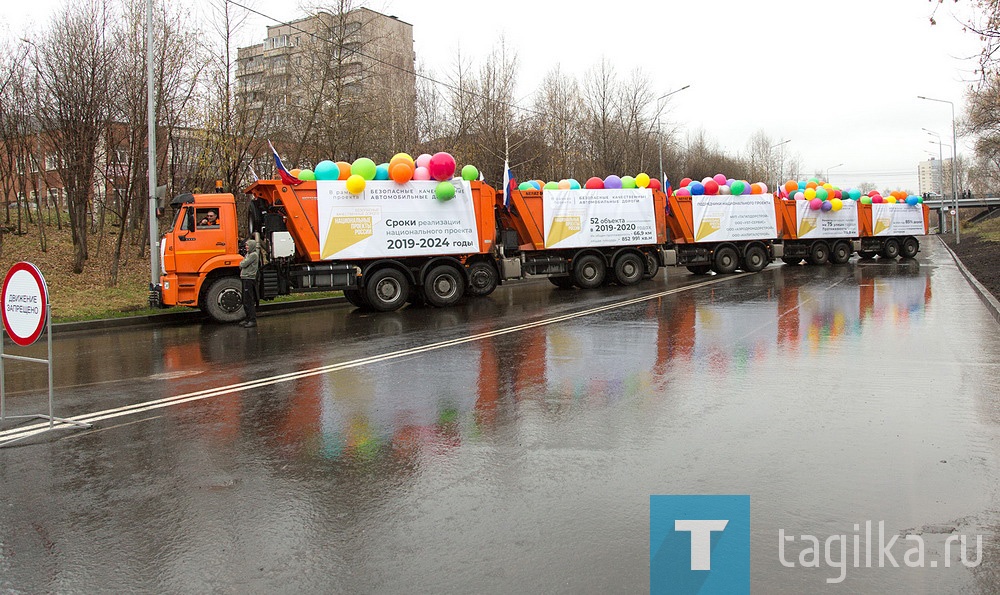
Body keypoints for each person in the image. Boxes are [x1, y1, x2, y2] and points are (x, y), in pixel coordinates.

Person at [239, 238, 260, 327]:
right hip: (245, 278)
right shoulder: (248, 254)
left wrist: (242, 263)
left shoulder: (253, 255)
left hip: (249, 279)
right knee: (245, 300)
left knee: (249, 300)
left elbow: (242, 264)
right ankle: (248, 319)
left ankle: (252, 320)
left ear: (252, 246)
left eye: (248, 245)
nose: (246, 247)